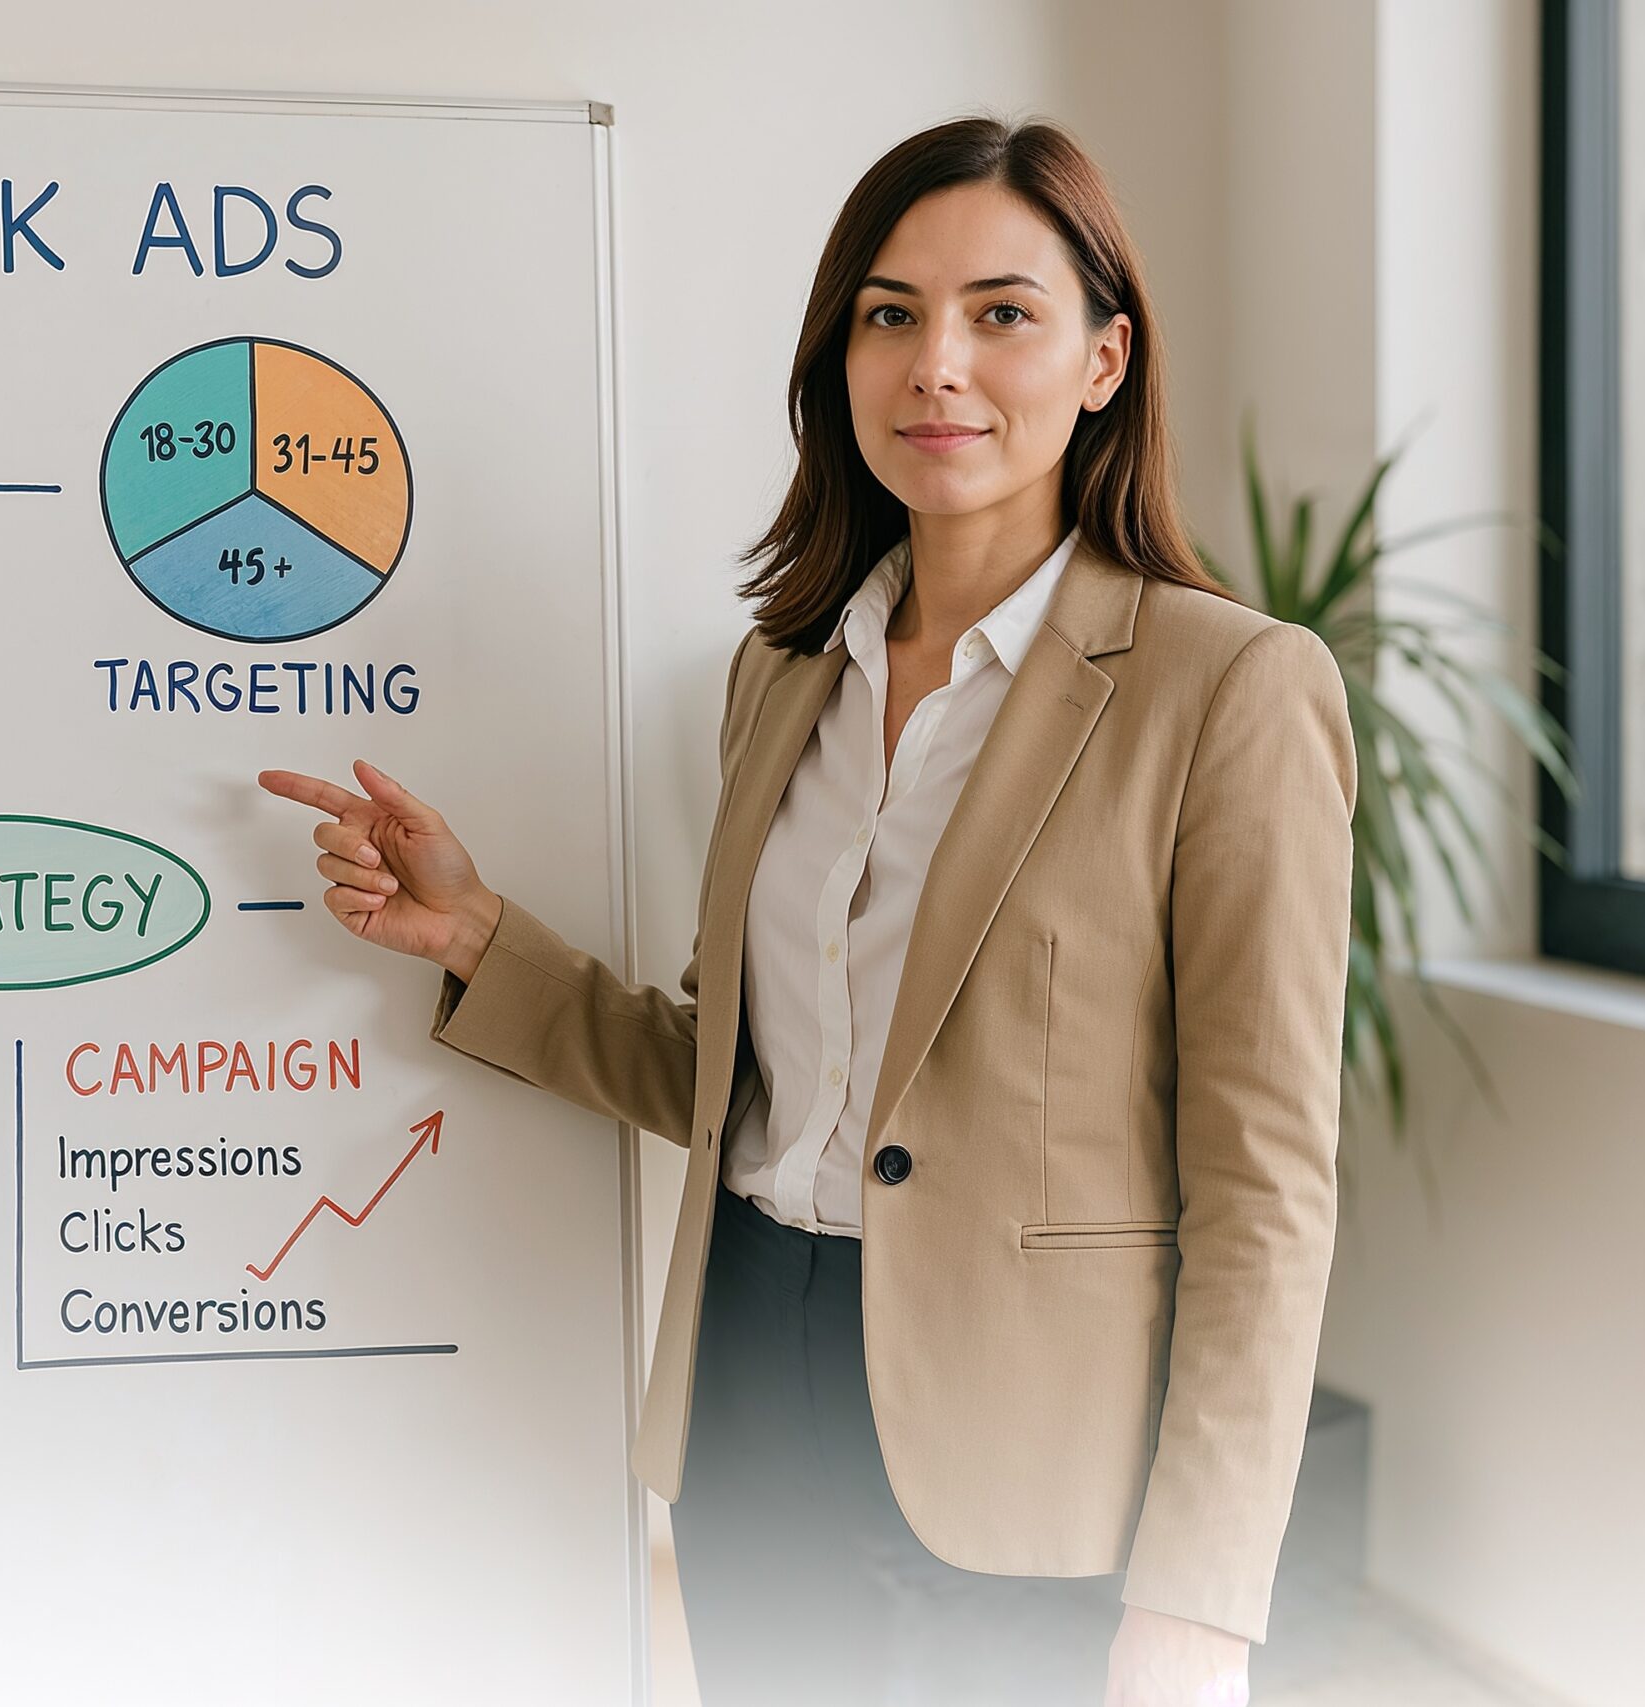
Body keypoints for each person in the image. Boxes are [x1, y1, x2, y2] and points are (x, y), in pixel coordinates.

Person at [259, 113, 1352, 1707]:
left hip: (1031, 1470)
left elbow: (1266, 1188)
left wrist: (1201, 1600)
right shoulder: (783, 678)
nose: (937, 367)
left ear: (1106, 360)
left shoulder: (1231, 689)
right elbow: (734, 1070)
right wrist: (476, 933)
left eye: (1003, 313)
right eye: (890, 314)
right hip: (750, 1390)